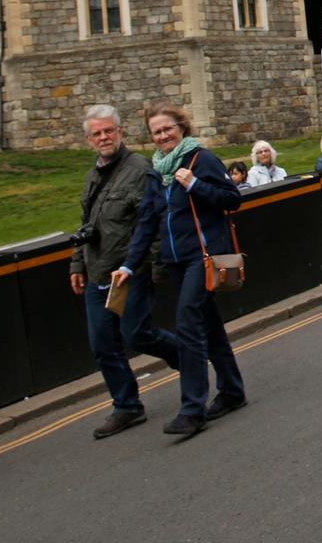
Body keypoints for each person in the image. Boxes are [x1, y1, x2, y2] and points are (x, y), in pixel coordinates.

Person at [112, 104, 247, 437]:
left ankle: (192, 409)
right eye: (156, 132)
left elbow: (232, 199)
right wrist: (129, 264)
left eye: (167, 129)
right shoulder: (157, 172)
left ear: (181, 127)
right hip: (175, 261)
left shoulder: (201, 160)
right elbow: (147, 222)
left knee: (188, 326)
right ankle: (232, 391)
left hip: (203, 259)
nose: (162, 136)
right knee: (210, 326)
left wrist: (194, 185)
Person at [70, 104, 180, 439]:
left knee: (137, 335)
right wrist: (77, 262)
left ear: (120, 133)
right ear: (89, 140)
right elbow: (86, 223)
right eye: (97, 134)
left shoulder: (140, 169)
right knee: (103, 345)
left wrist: (156, 267)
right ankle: (127, 406)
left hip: (131, 270)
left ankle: (188, 355)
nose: (103, 138)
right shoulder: (93, 175)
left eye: (108, 131)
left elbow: (156, 222)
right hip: (96, 272)